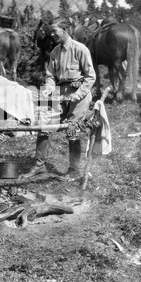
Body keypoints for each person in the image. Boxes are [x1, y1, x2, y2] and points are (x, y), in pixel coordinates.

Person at [22, 18, 96, 181]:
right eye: (51, 32)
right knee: (44, 125)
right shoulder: (55, 51)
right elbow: (50, 75)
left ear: (65, 30)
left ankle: (74, 170)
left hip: (79, 94)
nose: (52, 34)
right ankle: (39, 165)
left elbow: (90, 77)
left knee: (72, 130)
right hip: (59, 92)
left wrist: (77, 95)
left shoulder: (80, 49)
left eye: (55, 31)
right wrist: (48, 88)